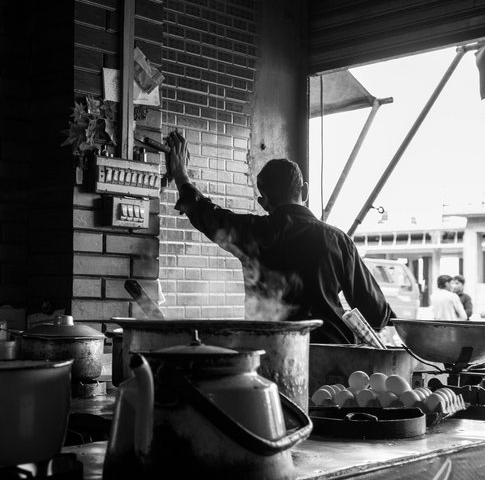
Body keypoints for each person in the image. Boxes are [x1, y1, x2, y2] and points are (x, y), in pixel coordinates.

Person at [163, 131, 393, 344]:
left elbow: (208, 216)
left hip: (269, 353)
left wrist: (181, 176)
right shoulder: (338, 240)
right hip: (330, 357)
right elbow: (375, 313)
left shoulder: (251, 232)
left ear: (263, 203)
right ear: (304, 191)